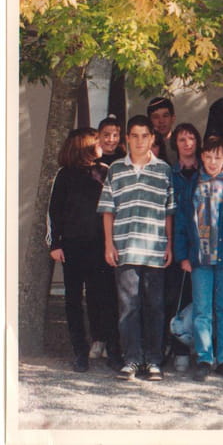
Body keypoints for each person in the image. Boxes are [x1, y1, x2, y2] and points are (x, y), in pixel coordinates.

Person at [97, 115, 175, 381]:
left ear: (152, 138)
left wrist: (169, 244)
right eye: (134, 136)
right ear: (127, 139)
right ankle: (131, 359)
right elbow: (108, 210)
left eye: (145, 136)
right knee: (128, 307)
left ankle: (153, 360)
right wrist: (109, 244)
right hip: (125, 247)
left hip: (155, 248)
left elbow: (168, 211)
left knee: (155, 307)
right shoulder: (116, 169)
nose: (140, 141)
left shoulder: (163, 170)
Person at [47, 128, 122, 372]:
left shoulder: (104, 171)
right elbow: (54, 211)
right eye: (98, 141)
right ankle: (80, 351)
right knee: (73, 300)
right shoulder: (64, 175)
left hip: (100, 246)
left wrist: (113, 243)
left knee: (106, 298)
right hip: (72, 246)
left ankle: (114, 350)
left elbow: (114, 208)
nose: (102, 144)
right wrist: (55, 243)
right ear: (84, 145)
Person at [174, 136, 223, 382]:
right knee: (202, 310)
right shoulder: (192, 184)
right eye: (209, 156)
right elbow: (181, 222)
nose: (213, 161)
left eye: (218, 157)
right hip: (199, 257)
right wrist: (182, 255)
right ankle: (204, 358)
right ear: (202, 157)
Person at [164, 123, 201, 373]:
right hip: (177, 242)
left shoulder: (207, 171)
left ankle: (202, 349)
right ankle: (179, 350)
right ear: (175, 144)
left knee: (201, 300)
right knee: (177, 298)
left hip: (203, 245)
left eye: (191, 139)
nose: (187, 144)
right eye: (181, 140)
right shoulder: (169, 174)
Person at [147, 97, 177, 165]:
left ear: (173, 118)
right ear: (149, 120)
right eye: (156, 117)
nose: (161, 121)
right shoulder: (145, 145)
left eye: (165, 116)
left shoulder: (181, 143)